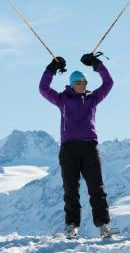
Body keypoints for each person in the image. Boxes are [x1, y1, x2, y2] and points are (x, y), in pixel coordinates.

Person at [39, 53, 116, 239]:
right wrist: (51, 69)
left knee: (96, 188)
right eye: (79, 82)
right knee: (70, 190)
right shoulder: (62, 99)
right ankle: (72, 226)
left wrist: (97, 64)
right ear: (72, 84)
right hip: (69, 148)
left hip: (90, 147)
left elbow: (108, 83)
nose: (83, 85)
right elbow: (43, 88)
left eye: (85, 82)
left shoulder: (93, 98)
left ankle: (104, 226)